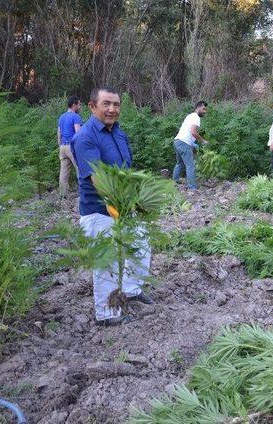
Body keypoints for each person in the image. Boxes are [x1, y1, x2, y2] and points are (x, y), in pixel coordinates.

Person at [71, 87, 153, 327]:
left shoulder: (119, 134)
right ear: (92, 106)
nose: (112, 109)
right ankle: (106, 313)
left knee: (141, 244)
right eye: (106, 104)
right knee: (107, 261)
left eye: (116, 104)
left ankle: (131, 290)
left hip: (124, 205)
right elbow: (99, 180)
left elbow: (126, 172)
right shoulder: (85, 137)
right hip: (99, 210)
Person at [173, 101, 208, 190]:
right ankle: (192, 187)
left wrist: (193, 145)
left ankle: (174, 182)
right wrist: (202, 141)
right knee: (190, 165)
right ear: (198, 108)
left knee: (180, 163)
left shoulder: (190, 116)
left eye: (206, 110)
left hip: (177, 141)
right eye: (203, 109)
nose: (205, 111)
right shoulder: (196, 117)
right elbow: (193, 132)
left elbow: (187, 132)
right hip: (183, 143)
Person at [57, 95, 82, 197]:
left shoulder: (61, 117)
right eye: (79, 104)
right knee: (80, 169)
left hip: (63, 147)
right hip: (72, 147)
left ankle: (63, 196)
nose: (80, 107)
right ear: (74, 105)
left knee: (63, 173)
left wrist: (60, 147)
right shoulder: (76, 117)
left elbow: (59, 133)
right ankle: (83, 194)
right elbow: (78, 134)